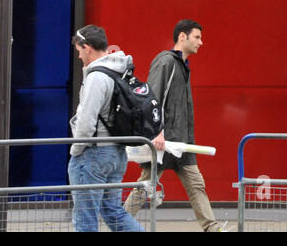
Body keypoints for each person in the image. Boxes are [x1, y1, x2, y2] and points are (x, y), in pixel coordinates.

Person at [124, 20, 223, 231]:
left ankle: (213, 228)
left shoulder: (182, 66)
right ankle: (118, 223)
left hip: (181, 142)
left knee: (197, 185)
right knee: (144, 188)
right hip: (164, 142)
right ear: (182, 37)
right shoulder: (166, 62)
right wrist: (157, 132)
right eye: (197, 37)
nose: (201, 42)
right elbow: (152, 98)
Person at [69, 24, 145, 232]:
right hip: (116, 154)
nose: (78, 57)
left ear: (87, 47)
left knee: (85, 219)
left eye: (78, 51)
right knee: (113, 211)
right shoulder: (118, 72)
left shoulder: (96, 78)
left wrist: (75, 152)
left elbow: (85, 122)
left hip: (93, 154)